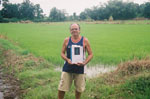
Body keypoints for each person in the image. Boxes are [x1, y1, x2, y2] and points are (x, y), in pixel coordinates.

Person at [58, 23, 93, 99]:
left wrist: (84, 63)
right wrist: (67, 59)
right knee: (62, 87)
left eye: (76, 29)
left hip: (80, 68)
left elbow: (90, 54)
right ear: (70, 31)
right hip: (68, 67)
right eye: (72, 29)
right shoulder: (66, 40)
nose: (74, 30)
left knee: (79, 89)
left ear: (79, 30)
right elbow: (62, 53)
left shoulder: (85, 40)